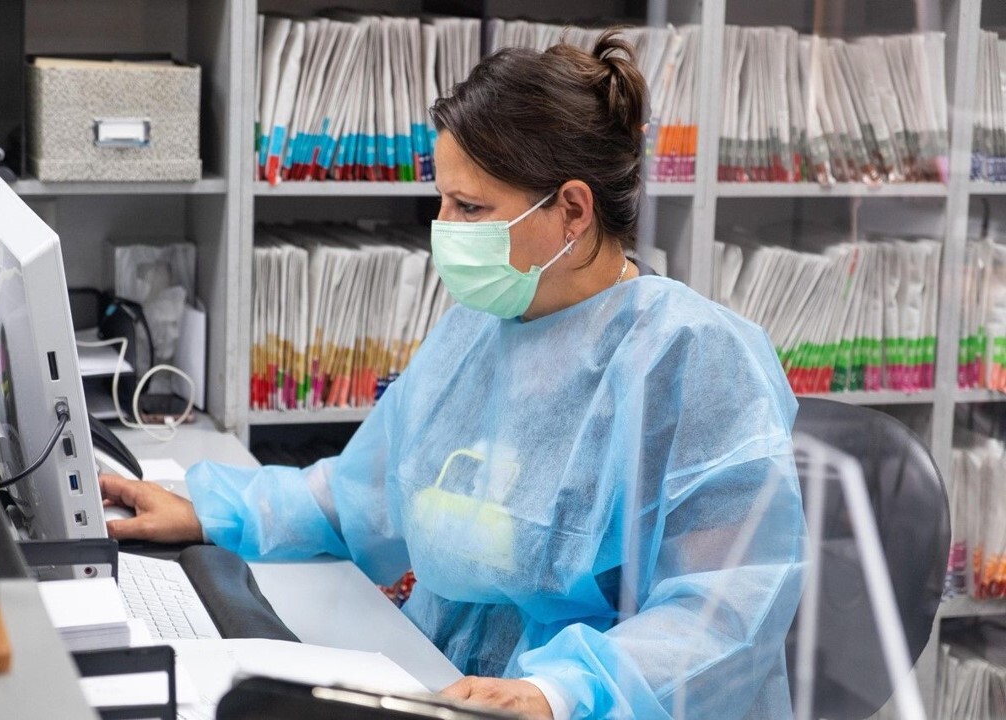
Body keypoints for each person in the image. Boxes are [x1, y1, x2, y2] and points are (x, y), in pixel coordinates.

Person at [100, 30, 806, 720]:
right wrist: (213, 513)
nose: (444, 227)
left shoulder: (695, 360)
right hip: (443, 680)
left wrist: (562, 691)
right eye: (443, 200)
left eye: (470, 208)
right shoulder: (481, 327)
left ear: (571, 210)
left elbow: (726, 610)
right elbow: (368, 492)